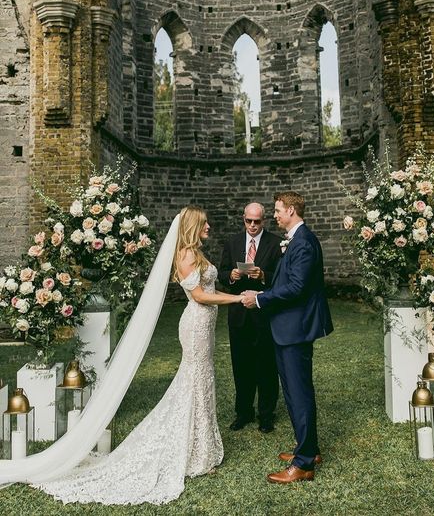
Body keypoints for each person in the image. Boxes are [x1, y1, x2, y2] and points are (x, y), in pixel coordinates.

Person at [28, 206, 242, 505]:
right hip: (195, 323)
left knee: (202, 379)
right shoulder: (187, 255)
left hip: (204, 324)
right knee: (196, 379)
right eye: (205, 224)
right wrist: (237, 298)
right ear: (194, 226)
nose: (210, 227)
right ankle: (195, 449)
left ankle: (200, 446)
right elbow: (200, 296)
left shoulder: (195, 252)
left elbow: (207, 287)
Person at [241, 191, 333, 484]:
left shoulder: (303, 242)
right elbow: (289, 280)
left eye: (279, 210)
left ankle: (304, 464)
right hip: (287, 328)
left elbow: (296, 288)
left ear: (291, 210)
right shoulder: (296, 240)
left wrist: (259, 299)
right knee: (295, 392)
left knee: (299, 392)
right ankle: (309, 449)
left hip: (295, 329)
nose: (276, 215)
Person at [218, 202, 281, 433]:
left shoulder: (275, 243)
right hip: (238, 315)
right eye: (248, 221)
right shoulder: (233, 242)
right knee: (241, 366)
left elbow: (282, 277)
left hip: (264, 315)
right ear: (243, 219)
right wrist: (232, 276)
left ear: (264, 220)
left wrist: (263, 275)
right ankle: (243, 413)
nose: (253, 226)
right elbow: (221, 273)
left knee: (266, 366)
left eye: (257, 221)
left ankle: (266, 415)